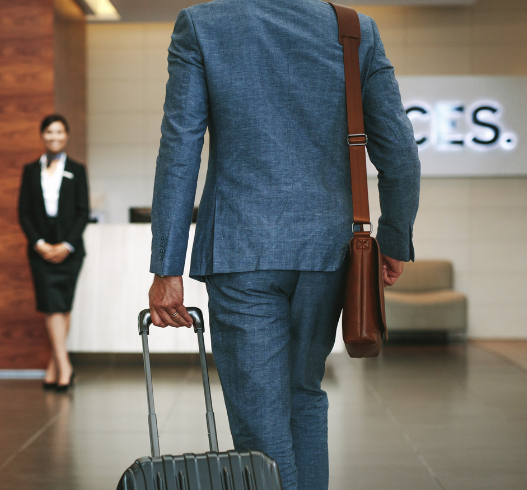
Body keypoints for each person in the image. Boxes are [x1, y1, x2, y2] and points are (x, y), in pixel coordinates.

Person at [146, 2, 420, 489]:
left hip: (239, 247)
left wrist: (167, 268)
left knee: (259, 424)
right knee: (303, 397)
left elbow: (180, 146)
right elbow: (399, 149)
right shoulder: (353, 30)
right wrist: (395, 237)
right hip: (327, 249)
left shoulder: (203, 25)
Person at [18, 114, 90, 393]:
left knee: (63, 306)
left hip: (70, 250)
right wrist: (39, 243)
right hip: (40, 251)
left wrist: (66, 245)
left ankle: (54, 368)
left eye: (60, 132)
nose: (54, 137)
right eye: (49, 132)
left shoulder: (77, 169)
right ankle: (66, 367)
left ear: (67, 135)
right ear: (42, 135)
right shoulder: (29, 170)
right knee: (51, 306)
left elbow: (83, 212)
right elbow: (23, 212)